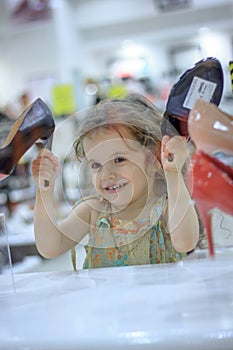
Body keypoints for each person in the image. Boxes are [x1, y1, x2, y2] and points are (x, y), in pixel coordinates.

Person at [31, 93, 199, 269]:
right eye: (96, 165)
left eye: (119, 160)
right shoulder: (93, 213)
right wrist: (44, 189)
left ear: (155, 158)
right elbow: (50, 247)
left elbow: (185, 242)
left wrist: (173, 174)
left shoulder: (166, 210)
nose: (106, 175)